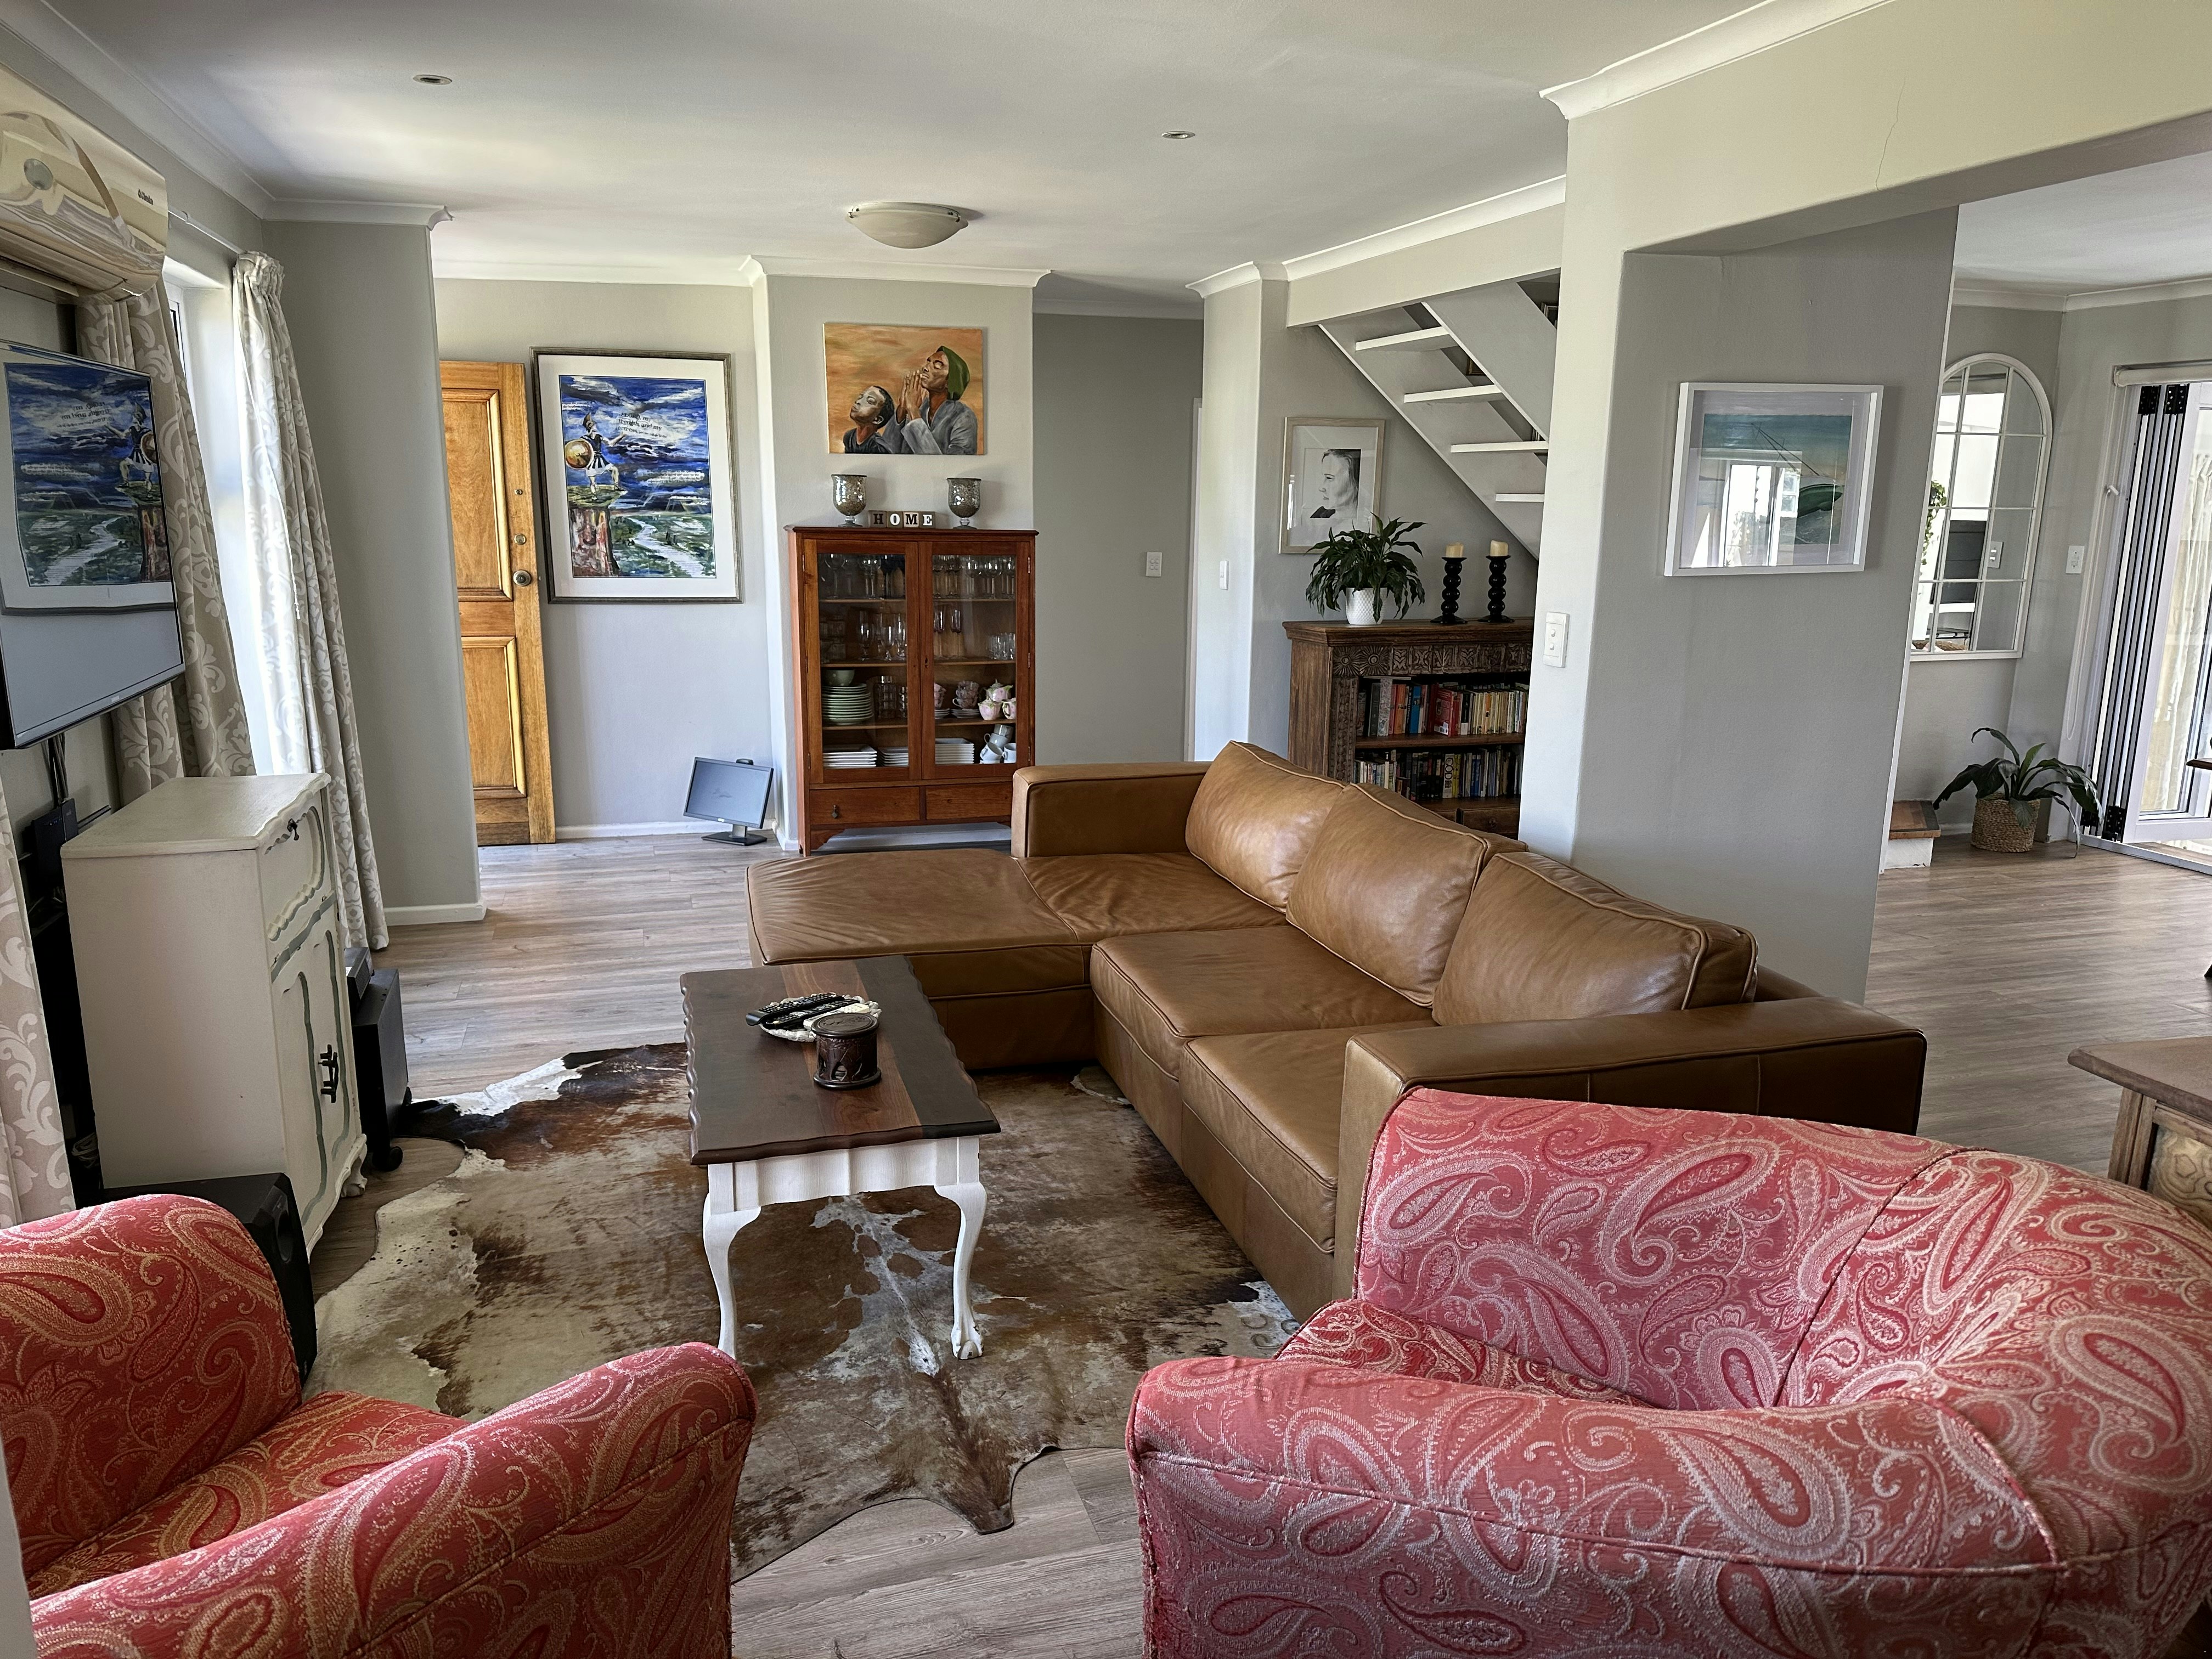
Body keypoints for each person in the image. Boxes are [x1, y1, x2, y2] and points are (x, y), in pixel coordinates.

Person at [896, 346, 978, 455]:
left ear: (950, 381)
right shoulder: (921, 408)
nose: (925, 368)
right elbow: (891, 452)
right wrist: (903, 409)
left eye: (938, 365)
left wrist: (914, 411)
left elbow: (953, 463)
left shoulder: (964, 416)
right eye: (928, 362)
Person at [841, 384, 904, 453]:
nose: (858, 402)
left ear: (877, 420)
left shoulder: (879, 448)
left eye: (870, 401)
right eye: (860, 397)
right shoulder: (849, 437)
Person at [1310, 448, 1361, 524]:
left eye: (1329, 478)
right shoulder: (1319, 515)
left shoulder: (1367, 520)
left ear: (1355, 482)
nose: (1321, 488)